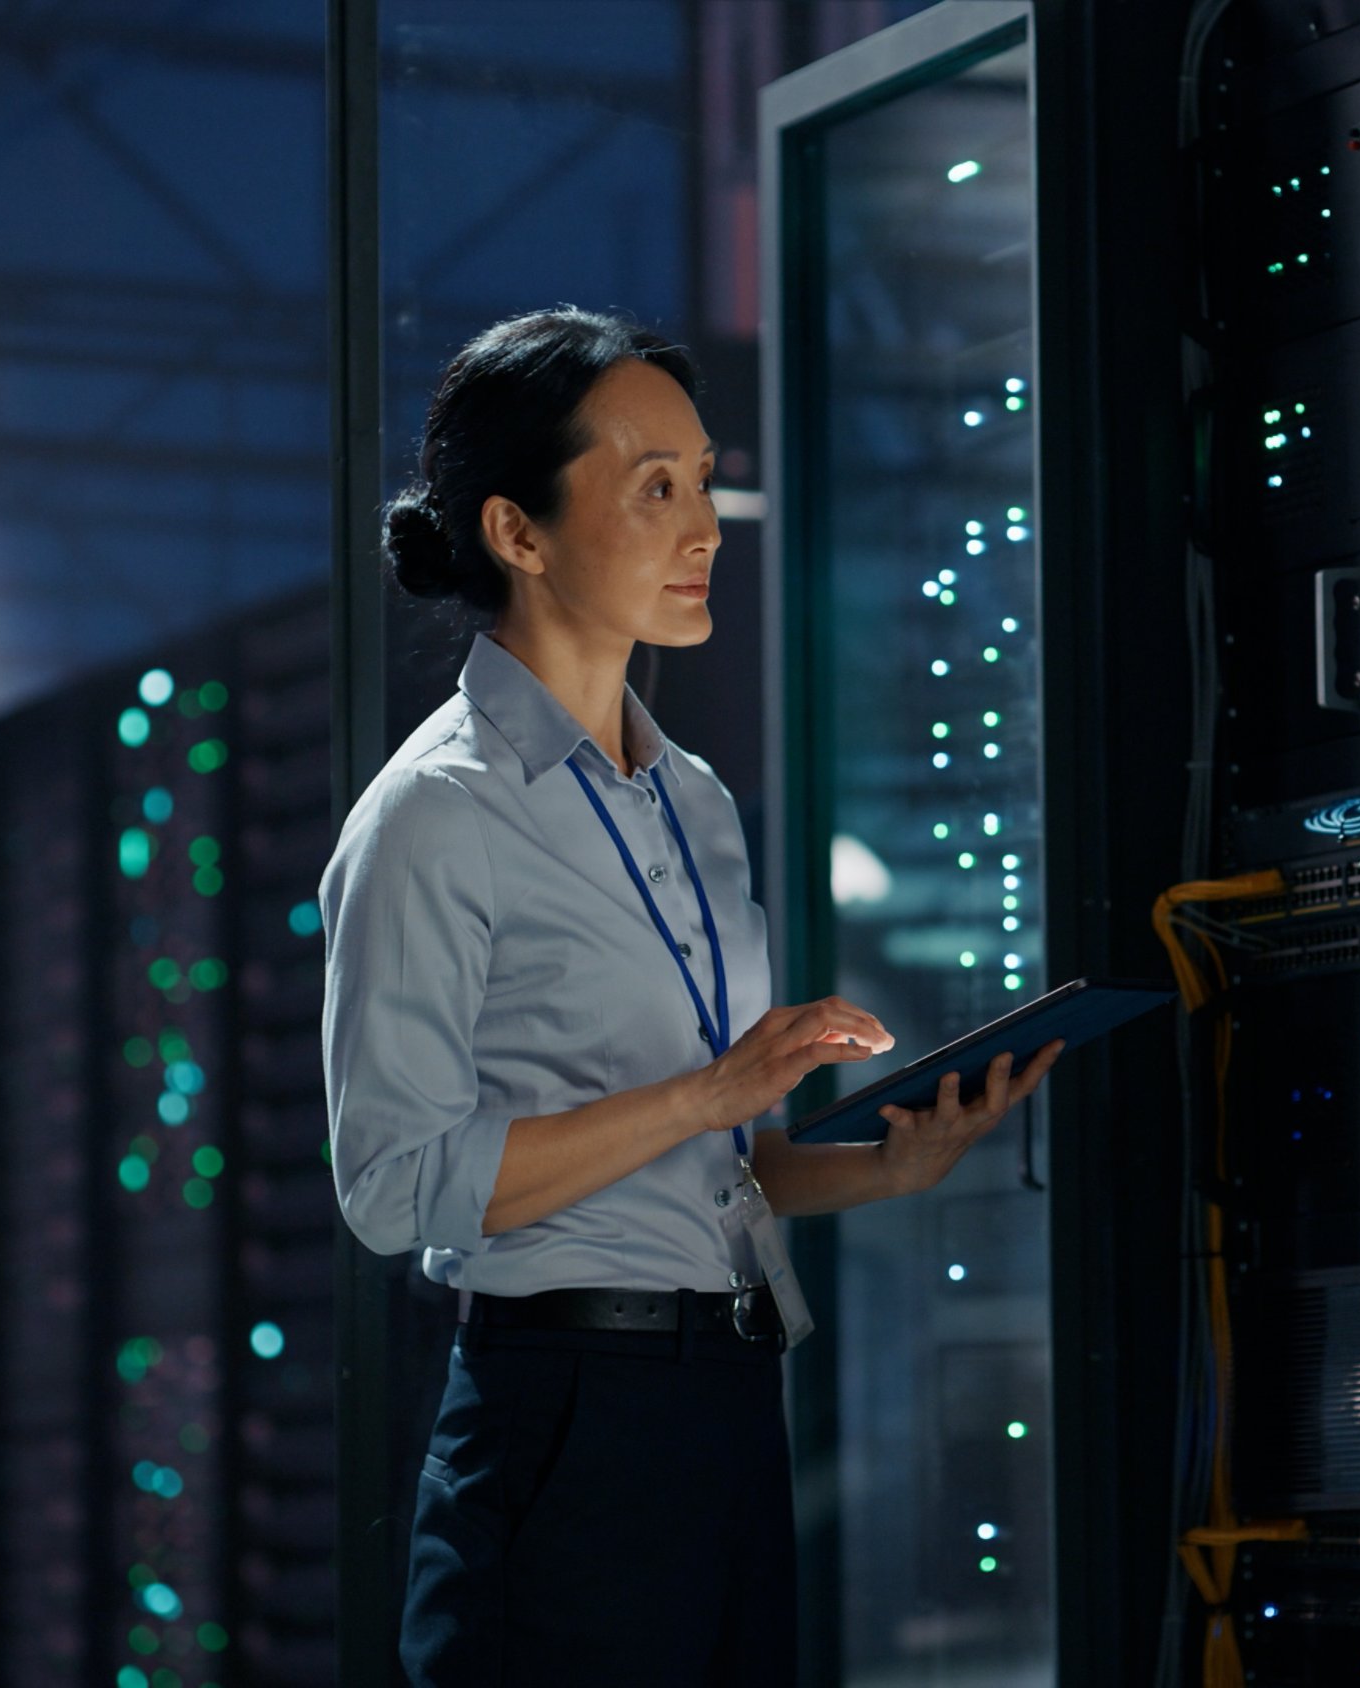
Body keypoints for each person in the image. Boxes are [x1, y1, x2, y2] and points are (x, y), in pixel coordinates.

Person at [318, 308, 1065, 1686]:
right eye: (654, 487)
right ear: (518, 532)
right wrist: (711, 1090)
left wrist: (883, 1169)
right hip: (561, 1420)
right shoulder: (433, 815)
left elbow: (702, 1163)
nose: (707, 525)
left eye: (707, 480)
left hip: (725, 1397)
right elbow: (392, 1185)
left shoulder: (697, 803)